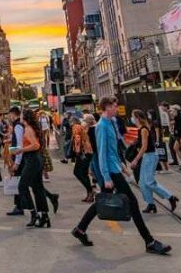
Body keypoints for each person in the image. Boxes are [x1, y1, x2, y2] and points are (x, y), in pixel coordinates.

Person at [71, 96, 171, 255]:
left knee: (102, 201)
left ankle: (80, 229)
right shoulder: (102, 126)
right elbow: (102, 153)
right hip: (110, 171)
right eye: (114, 106)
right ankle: (149, 241)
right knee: (132, 203)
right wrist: (107, 177)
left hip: (115, 168)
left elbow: (114, 149)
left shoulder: (111, 122)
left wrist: (122, 166)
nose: (117, 108)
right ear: (106, 107)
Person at [129, 110, 178, 214]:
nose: (132, 119)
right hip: (147, 156)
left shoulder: (143, 129)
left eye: (133, 116)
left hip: (150, 156)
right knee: (142, 183)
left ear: (137, 117)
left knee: (149, 182)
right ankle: (151, 204)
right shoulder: (141, 129)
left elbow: (144, 147)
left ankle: (170, 197)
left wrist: (135, 160)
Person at [16, 109, 53, 228]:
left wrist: (21, 150)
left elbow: (35, 145)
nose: (20, 117)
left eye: (21, 115)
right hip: (36, 159)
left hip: (32, 160)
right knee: (38, 188)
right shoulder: (32, 128)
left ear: (25, 117)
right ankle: (44, 216)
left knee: (22, 186)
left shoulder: (27, 129)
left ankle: (34, 213)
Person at [71, 115, 94, 201]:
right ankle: (89, 193)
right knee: (84, 173)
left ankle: (90, 191)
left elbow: (77, 138)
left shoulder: (75, 127)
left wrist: (77, 151)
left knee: (77, 172)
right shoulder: (81, 127)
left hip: (83, 152)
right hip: (88, 151)